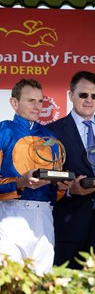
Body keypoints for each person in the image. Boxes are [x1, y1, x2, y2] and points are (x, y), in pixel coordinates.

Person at [46, 71, 95, 269]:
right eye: (83, 95)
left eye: (94, 96)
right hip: (68, 225)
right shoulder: (53, 131)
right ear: (70, 95)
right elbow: (46, 180)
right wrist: (69, 190)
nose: (89, 100)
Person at [0, 79, 67, 274]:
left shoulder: (51, 138)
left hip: (45, 216)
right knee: (9, 282)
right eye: (31, 101)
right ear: (14, 103)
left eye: (40, 101)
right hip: (10, 215)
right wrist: (20, 182)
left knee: (41, 281)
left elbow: (55, 193)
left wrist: (62, 188)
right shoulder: (4, 130)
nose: (37, 107)